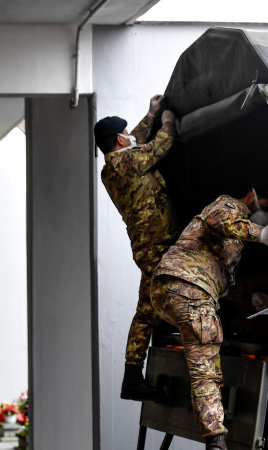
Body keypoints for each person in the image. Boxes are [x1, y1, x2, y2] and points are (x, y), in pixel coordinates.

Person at [149, 193, 268, 450]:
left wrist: (250, 295)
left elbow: (216, 278)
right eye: (266, 208)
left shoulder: (230, 243)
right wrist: (262, 233)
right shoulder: (230, 205)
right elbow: (221, 221)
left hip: (176, 289)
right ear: (254, 200)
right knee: (206, 371)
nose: (267, 214)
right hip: (188, 289)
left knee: (201, 366)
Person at [95, 95, 181, 402]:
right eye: (126, 134)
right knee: (155, 307)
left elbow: (138, 139)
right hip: (157, 245)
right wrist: (167, 120)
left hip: (147, 245)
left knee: (147, 311)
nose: (132, 134)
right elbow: (161, 144)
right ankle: (133, 376)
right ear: (119, 140)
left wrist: (150, 113)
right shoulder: (128, 161)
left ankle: (133, 376)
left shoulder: (112, 167)